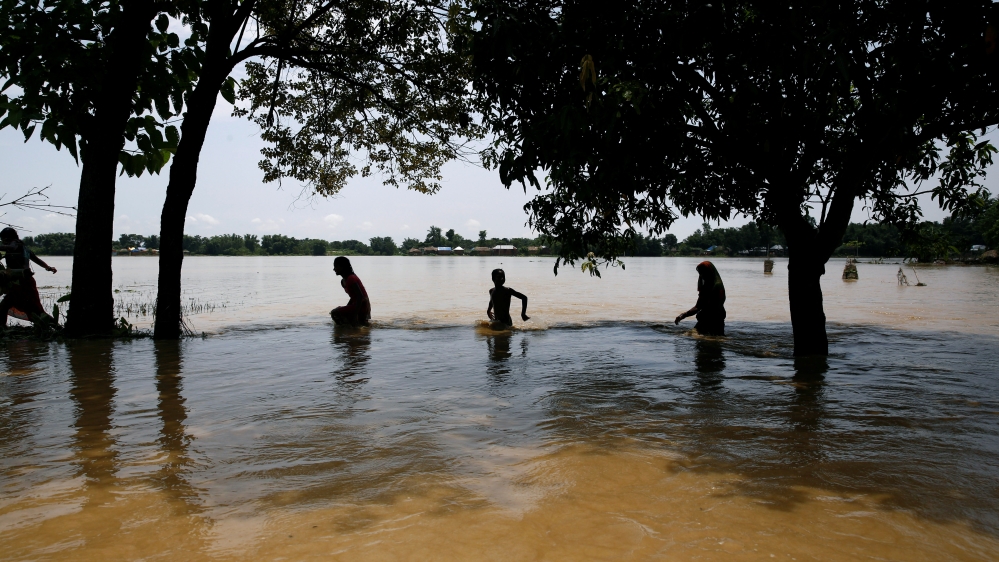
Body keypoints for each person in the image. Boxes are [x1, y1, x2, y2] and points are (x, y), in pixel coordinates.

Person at [0, 227, 57, 329]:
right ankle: (2, 328)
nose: (4, 242)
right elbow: (37, 260)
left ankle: (58, 328)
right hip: (23, 282)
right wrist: (48, 268)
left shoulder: (14, 244)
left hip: (22, 283)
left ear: (7, 238)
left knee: (36, 311)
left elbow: (11, 248)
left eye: (4, 239)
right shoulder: (23, 247)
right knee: (5, 306)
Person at [675, 261, 726, 336]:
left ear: (709, 272)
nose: (701, 276)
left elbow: (717, 307)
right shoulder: (705, 287)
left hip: (715, 320)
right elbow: (698, 306)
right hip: (704, 319)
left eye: (703, 273)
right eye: (700, 273)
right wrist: (683, 315)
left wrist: (704, 317)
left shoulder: (717, 287)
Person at [330, 256, 370, 326]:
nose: (334, 269)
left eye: (336, 266)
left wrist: (355, 315)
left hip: (362, 305)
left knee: (334, 313)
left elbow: (360, 297)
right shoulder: (343, 281)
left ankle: (343, 331)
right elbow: (353, 297)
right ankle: (352, 329)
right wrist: (347, 307)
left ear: (343, 267)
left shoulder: (351, 278)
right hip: (358, 305)